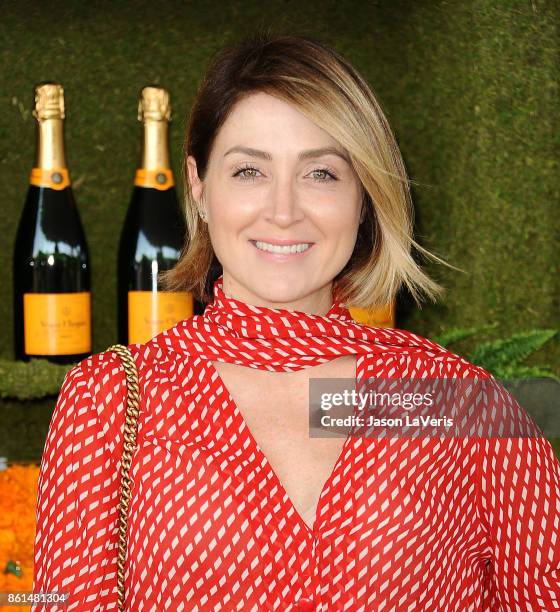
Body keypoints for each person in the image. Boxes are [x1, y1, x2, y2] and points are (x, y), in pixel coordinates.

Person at [32, 32, 560, 611]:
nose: (283, 211)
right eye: (249, 172)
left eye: (322, 174)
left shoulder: (453, 402)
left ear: (364, 197)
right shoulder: (105, 401)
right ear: (200, 188)